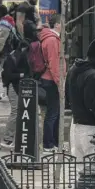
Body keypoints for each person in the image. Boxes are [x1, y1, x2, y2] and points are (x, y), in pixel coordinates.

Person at [66, 38, 95, 160]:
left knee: (78, 170)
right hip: (90, 128)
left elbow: (67, 98)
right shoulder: (94, 76)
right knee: (93, 171)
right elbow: (92, 105)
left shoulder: (72, 70)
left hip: (75, 125)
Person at [39, 14, 62, 152]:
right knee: (52, 113)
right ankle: (49, 143)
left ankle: (53, 142)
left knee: (53, 112)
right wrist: (59, 82)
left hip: (48, 79)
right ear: (58, 24)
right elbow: (54, 63)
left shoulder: (49, 38)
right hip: (51, 80)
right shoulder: (52, 40)